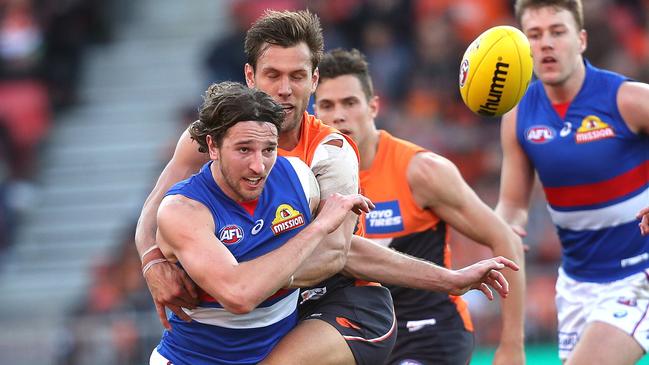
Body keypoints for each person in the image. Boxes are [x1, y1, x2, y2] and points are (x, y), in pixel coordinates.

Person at [136, 9, 519, 365]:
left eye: (298, 76)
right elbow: (154, 213)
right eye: (273, 76)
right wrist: (153, 261)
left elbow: (337, 254)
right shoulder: (205, 137)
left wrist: (242, 280)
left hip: (336, 300)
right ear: (251, 77)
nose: (285, 89)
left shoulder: (327, 155)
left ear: (314, 80)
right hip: (243, 315)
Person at [314, 48, 526, 365]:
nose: (339, 115)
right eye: (327, 105)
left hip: (428, 335)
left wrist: (512, 347)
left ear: (373, 107)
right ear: (314, 113)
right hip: (358, 336)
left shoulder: (421, 171)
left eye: (350, 102)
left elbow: (506, 239)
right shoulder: (309, 178)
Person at [149, 81, 374, 364]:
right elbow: (239, 295)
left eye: (269, 149)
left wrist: (444, 279)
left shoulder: (297, 178)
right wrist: (319, 227)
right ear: (213, 146)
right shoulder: (183, 209)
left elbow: (348, 251)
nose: (258, 166)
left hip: (275, 354)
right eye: (244, 150)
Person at [497, 1, 649, 364]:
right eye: (534, 35)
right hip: (576, 285)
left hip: (638, 273)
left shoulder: (628, 99)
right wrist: (501, 229)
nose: (546, 43)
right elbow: (513, 206)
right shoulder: (519, 116)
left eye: (557, 32)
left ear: (581, 40)